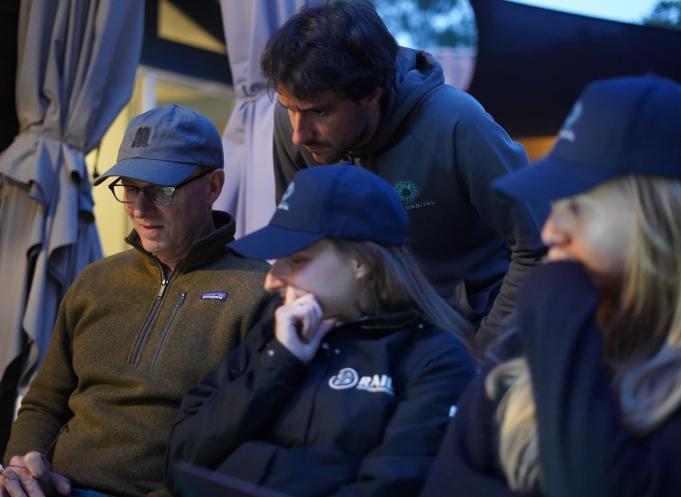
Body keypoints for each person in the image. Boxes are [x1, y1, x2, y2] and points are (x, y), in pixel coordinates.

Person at [420, 74, 681, 497]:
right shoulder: (526, 341)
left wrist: (557, 294)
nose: (552, 231)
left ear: (656, 223)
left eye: (576, 208)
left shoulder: (559, 310)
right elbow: (445, 484)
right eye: (553, 208)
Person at [0, 105, 274, 497]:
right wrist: (22, 469)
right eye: (129, 188)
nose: (140, 209)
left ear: (213, 186)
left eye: (161, 190)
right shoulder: (95, 281)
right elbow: (44, 401)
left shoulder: (259, 292)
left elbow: (252, 442)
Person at [165, 165, 478, 497]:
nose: (271, 281)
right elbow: (181, 461)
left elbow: (394, 485)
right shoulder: (277, 336)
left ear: (362, 263)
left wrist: (249, 462)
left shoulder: (433, 359)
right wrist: (279, 364)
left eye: (296, 261)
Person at [260, 1, 546, 349]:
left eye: (319, 111)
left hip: (464, 332)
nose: (299, 135)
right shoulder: (295, 118)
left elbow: (537, 247)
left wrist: (483, 356)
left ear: (371, 95)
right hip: (360, 333)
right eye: (290, 108)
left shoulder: (457, 124)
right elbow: (298, 241)